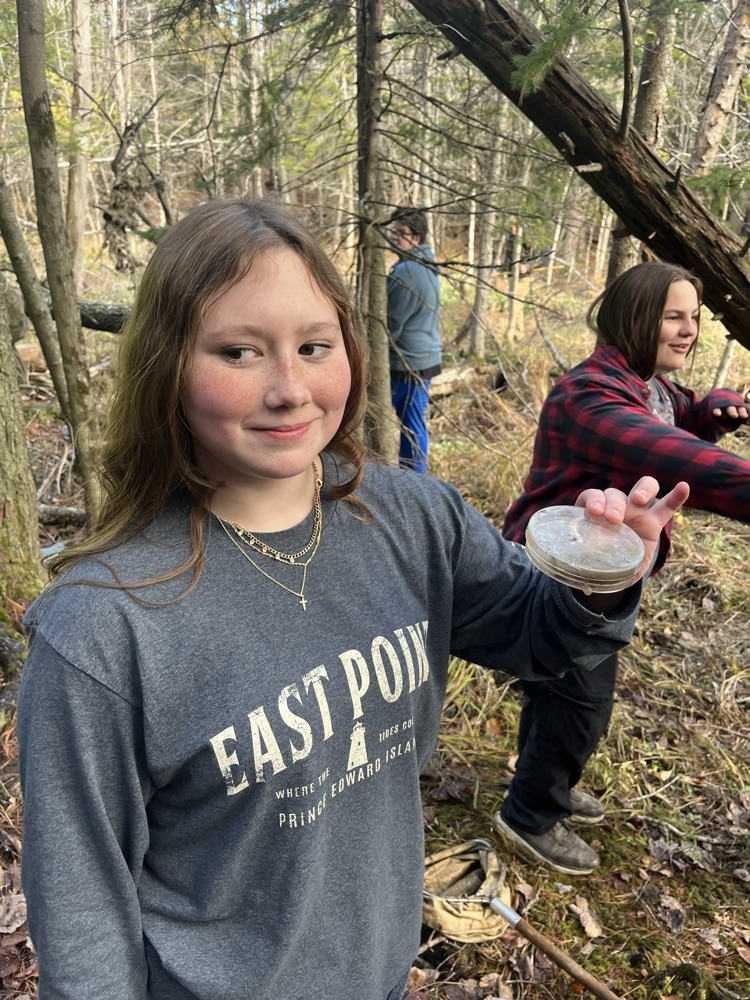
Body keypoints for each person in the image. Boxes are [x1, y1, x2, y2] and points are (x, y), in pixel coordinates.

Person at [17, 201, 687, 1000]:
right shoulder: (102, 630)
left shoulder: (409, 518)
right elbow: (82, 915)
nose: (290, 389)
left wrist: (608, 570)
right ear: (167, 365)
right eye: (239, 351)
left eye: (314, 346)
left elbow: (544, 642)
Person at [495, 260, 750, 876]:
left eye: (694, 319)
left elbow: (683, 411)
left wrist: (717, 409)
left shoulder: (646, 383)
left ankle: (544, 783)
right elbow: (677, 455)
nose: (689, 331)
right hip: (556, 577)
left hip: (596, 578)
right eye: (673, 317)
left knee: (558, 697)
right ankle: (529, 814)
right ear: (637, 319)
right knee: (580, 705)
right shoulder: (589, 396)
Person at [386, 207, 441, 473]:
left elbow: (389, 325)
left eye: (400, 233)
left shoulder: (408, 272)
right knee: (413, 420)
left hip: (408, 362)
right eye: (392, 231)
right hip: (422, 358)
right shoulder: (424, 265)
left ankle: (412, 479)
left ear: (416, 238)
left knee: (408, 424)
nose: (393, 237)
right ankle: (413, 477)